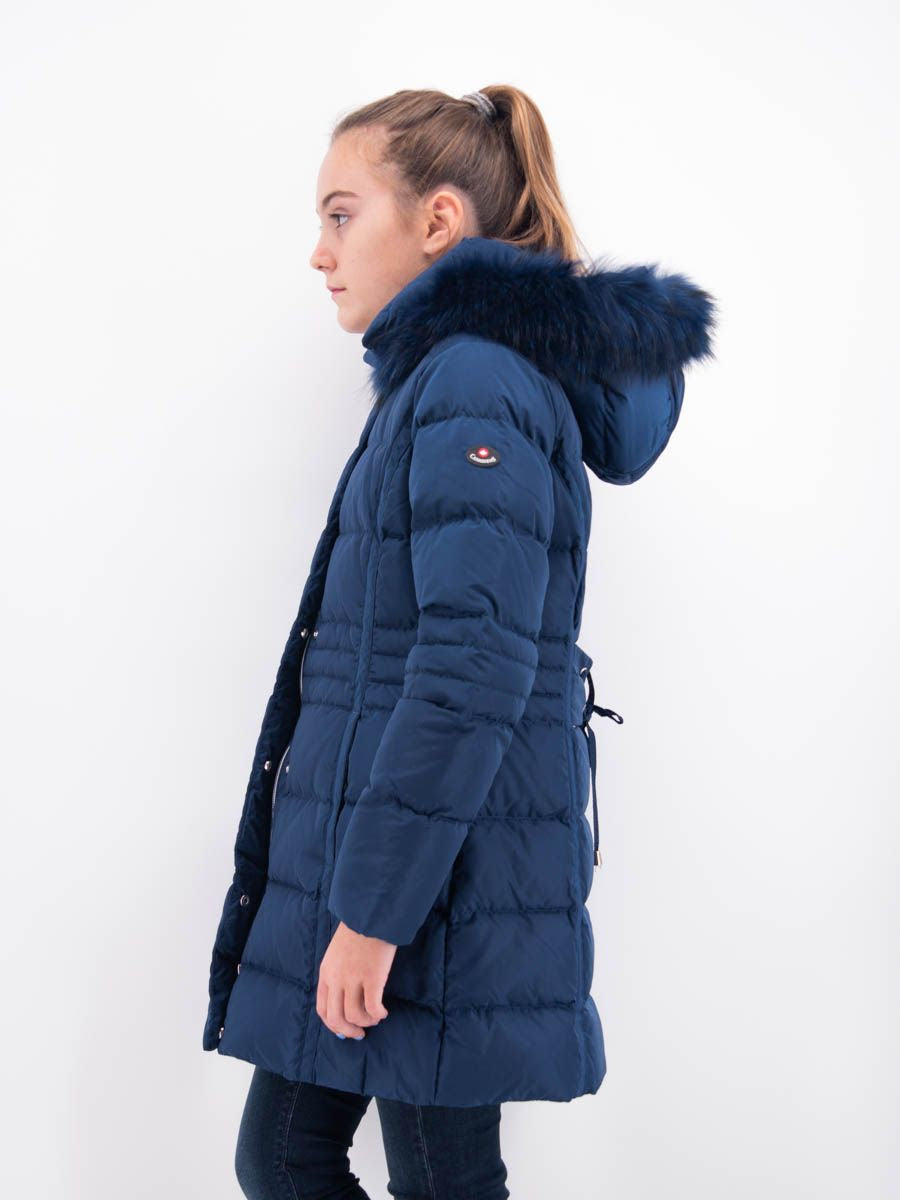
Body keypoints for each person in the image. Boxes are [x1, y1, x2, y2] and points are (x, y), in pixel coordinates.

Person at [203, 84, 717, 1200]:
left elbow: (470, 669)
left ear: (437, 221)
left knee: (411, 1175)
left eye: (342, 215)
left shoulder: (473, 382)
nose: (320, 252)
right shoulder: (445, 379)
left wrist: (373, 916)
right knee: (290, 1156)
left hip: (435, 889)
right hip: (405, 865)